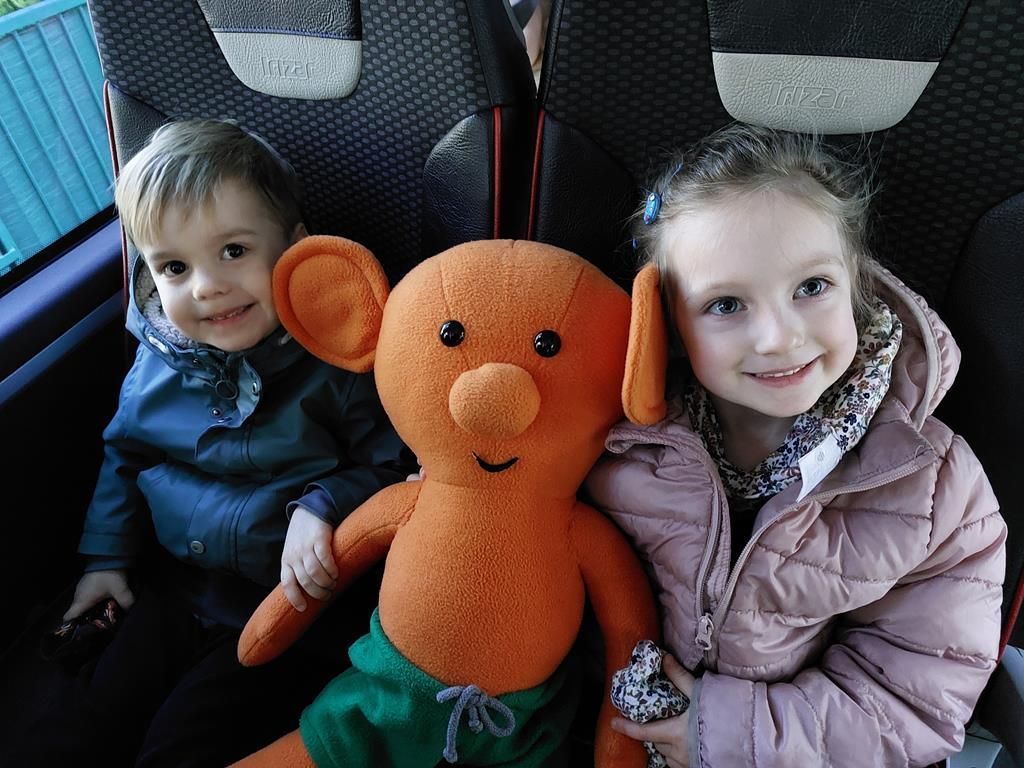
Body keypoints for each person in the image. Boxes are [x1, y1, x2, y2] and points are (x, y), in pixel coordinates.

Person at [584, 123, 1007, 768]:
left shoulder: (934, 487)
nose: (779, 338)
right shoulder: (615, 442)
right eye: (727, 304)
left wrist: (731, 733)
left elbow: (918, 699)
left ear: (856, 285)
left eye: (811, 288)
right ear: (669, 321)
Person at [13, 119, 412, 767]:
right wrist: (106, 560)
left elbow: (395, 467)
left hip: (286, 606)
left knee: (185, 743)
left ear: (297, 250)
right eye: (174, 266)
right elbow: (127, 457)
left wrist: (324, 503)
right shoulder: (157, 364)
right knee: (77, 730)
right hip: (174, 589)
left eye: (233, 251)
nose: (205, 286)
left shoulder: (337, 363)